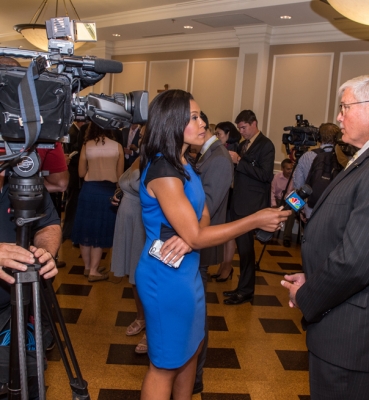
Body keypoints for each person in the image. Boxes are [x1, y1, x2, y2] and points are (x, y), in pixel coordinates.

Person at [135, 89, 290, 399]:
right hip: (164, 278)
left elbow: (203, 213)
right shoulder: (164, 170)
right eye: (194, 117)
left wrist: (188, 233)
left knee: (193, 349)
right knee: (165, 364)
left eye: (201, 115)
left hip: (187, 272)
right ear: (172, 123)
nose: (203, 122)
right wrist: (254, 220)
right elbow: (196, 235)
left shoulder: (183, 162)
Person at [281, 75, 369, 400]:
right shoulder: (358, 159)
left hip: (349, 337)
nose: (340, 116)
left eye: (345, 107)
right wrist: (316, 272)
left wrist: (308, 294)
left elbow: (355, 261)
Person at [0, 164, 60, 397]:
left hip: (15, 310)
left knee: (26, 382)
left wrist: (44, 252)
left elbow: (48, 224)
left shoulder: (23, 174)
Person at [194, 112, 233, 394]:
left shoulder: (218, 158)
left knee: (198, 316)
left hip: (200, 244)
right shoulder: (207, 154)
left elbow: (206, 204)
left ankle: (195, 376)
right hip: (193, 243)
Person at [224, 110, 275, 305]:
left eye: (244, 127)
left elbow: (265, 175)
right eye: (239, 128)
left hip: (251, 205)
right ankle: (241, 287)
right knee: (242, 250)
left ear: (254, 123)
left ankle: (246, 291)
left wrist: (240, 161)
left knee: (246, 250)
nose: (242, 132)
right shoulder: (244, 144)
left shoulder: (266, 145)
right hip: (239, 201)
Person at [72, 122, 124, 282]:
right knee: (100, 231)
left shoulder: (87, 145)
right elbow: (120, 176)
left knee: (86, 229)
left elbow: (81, 173)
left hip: (88, 190)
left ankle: (88, 267)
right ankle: (94, 270)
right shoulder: (117, 147)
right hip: (107, 192)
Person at [212, 121, 242, 281]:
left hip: (233, 195)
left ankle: (227, 267)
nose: (216, 137)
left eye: (219, 134)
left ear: (229, 134)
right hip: (228, 194)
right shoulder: (225, 149)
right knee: (225, 234)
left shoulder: (231, 151)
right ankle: (223, 265)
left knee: (230, 234)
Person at [293, 123, 341, 219]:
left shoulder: (307, 156)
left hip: (310, 211)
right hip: (334, 214)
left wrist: (300, 211)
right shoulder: (342, 158)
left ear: (318, 137)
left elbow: (297, 187)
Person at [62, 120, 86, 242]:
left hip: (73, 174)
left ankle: (69, 231)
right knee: (72, 204)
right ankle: (67, 232)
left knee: (71, 203)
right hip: (74, 174)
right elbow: (73, 155)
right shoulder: (73, 133)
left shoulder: (72, 131)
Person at [271, 158, 295, 247]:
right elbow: (272, 192)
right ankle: (269, 232)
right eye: (288, 169)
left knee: (292, 213)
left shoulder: (295, 178)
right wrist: (273, 205)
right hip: (278, 199)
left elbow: (296, 194)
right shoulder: (277, 177)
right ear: (282, 169)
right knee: (273, 209)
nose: (290, 171)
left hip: (290, 199)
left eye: (291, 169)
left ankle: (287, 238)